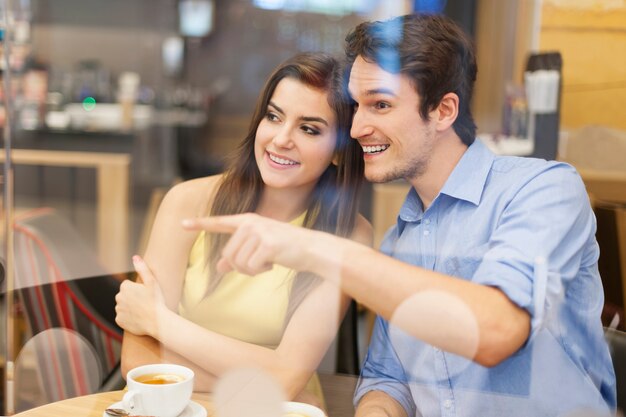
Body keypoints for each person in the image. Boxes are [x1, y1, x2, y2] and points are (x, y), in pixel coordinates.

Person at [182, 13, 616, 417]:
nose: (355, 129)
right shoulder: (399, 242)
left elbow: (495, 331)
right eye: (357, 106)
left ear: (444, 110)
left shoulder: (542, 190)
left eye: (381, 105)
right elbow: (389, 381)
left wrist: (312, 247)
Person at [114, 52, 372, 405]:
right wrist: (268, 373)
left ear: (339, 150)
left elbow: (285, 382)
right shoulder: (187, 202)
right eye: (273, 116)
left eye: (309, 129)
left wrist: (159, 322)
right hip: (180, 407)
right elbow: (138, 362)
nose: (281, 139)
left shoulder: (350, 234)